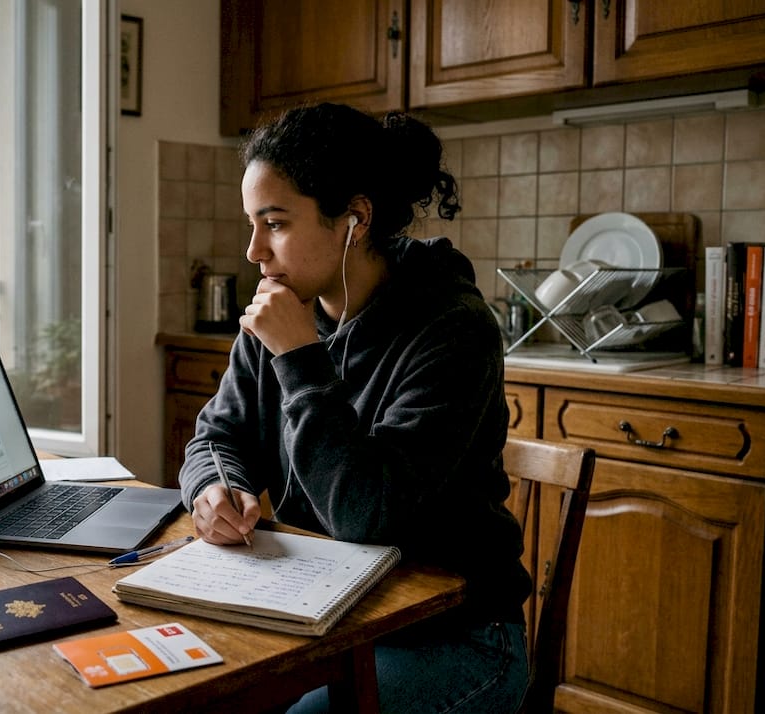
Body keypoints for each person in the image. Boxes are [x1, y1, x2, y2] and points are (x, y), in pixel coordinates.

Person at [177, 102, 531, 713]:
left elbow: (367, 516)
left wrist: (299, 357)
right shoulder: (283, 309)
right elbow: (217, 433)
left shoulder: (452, 329)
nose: (254, 250)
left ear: (355, 218)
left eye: (276, 223)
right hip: (323, 612)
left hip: (453, 635)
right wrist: (216, 487)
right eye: (252, 223)